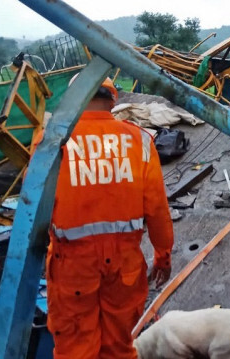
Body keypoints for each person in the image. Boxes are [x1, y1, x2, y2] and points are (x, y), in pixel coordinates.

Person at [33, 75, 174, 359]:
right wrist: (163, 255)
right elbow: (157, 209)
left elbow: (33, 210)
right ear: (113, 99)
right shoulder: (140, 140)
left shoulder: (50, 141)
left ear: (75, 98)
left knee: (75, 350)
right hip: (124, 267)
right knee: (119, 348)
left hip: (72, 266)